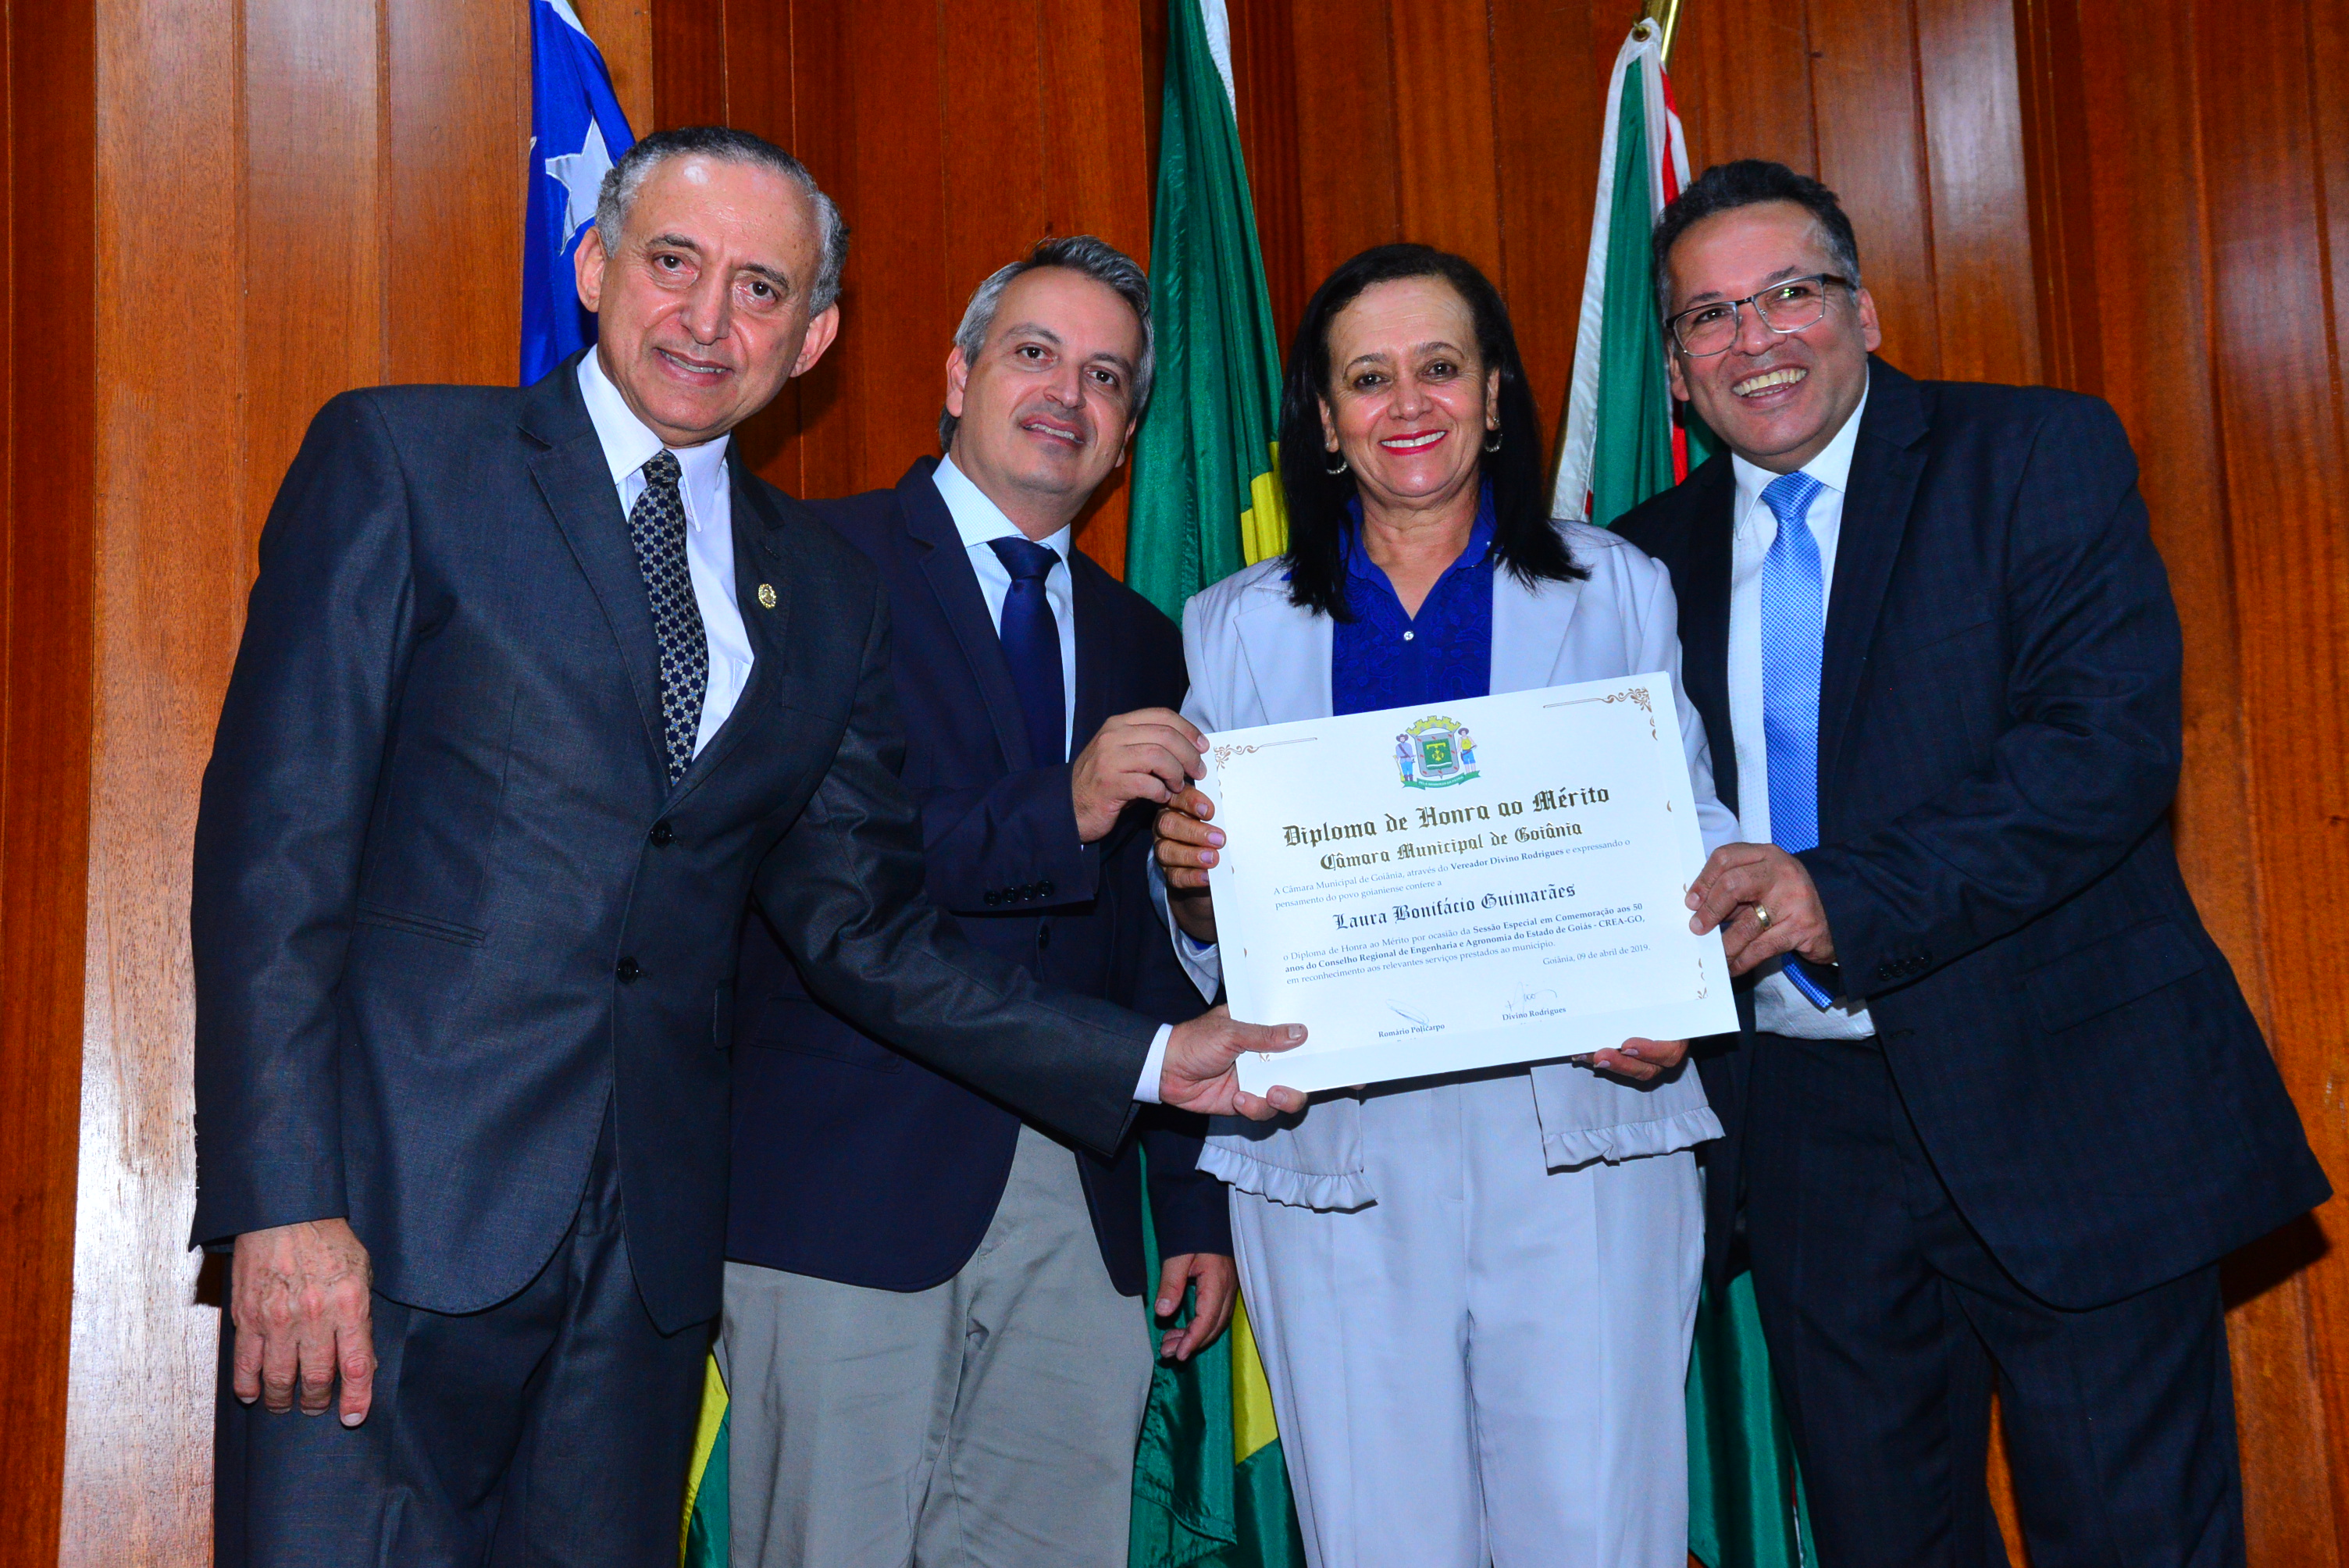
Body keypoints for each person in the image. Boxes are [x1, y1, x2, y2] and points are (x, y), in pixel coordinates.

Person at [191, 127, 1302, 1568]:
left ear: (814, 338)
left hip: (647, 1271)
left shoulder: (820, 591)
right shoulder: (408, 462)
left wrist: (1151, 1065)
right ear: (595, 268)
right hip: (388, 1225)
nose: (710, 318)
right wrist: (284, 1204)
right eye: (675, 263)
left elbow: (860, 927)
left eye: (762, 288)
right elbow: (275, 860)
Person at [1613, 159, 2330, 1566]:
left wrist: (1840, 894)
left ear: (1865, 310)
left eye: (1790, 293)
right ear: (1681, 371)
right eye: (1710, 316)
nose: (1755, 337)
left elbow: (2102, 753)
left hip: (2065, 1099)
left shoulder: (2032, 457)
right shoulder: (1636, 564)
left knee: (2132, 1537)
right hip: (1803, 1137)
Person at [1151, 244, 1738, 1568]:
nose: (1407, 404)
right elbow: (1204, 895)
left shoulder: (1617, 584)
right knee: (1377, 1540)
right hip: (1333, 1145)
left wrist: (1678, 981)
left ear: (1494, 396)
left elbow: (1681, 819)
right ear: (1324, 420)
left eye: (1439, 368)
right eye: (1369, 379)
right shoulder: (1233, 624)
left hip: (1583, 1119)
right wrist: (1194, 889)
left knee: (1599, 1532)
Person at [722, 237, 1235, 1567]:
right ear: (958, 376)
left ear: (1127, 435)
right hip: (846, 1186)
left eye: (1107, 377)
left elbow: (1146, 946)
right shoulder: (801, 563)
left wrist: (1190, 1205)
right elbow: (804, 865)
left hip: (1080, 1194)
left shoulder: (1147, 639)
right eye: (1035, 353)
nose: (1069, 393)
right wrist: (1062, 806)